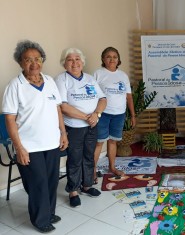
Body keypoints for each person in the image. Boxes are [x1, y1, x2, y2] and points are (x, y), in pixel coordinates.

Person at [2, 40, 68, 233]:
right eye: (27, 60)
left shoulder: (49, 81)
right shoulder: (15, 86)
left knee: (51, 180)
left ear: (42, 60)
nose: (33, 63)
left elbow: (57, 109)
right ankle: (40, 219)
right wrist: (19, 148)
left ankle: (49, 212)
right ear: (20, 63)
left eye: (37, 59)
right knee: (38, 182)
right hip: (29, 145)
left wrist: (63, 133)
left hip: (52, 142)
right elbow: (10, 120)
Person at [55, 48, 107, 207]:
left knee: (89, 156)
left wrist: (96, 114)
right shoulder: (61, 79)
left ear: (82, 62)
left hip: (92, 125)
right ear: (64, 63)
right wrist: (87, 117)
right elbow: (63, 106)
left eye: (77, 59)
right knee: (75, 159)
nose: (74, 63)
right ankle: (73, 190)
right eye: (70, 60)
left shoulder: (90, 79)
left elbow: (103, 99)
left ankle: (87, 185)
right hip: (74, 127)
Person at [93, 47, 136, 183]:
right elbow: (92, 95)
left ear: (118, 59)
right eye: (108, 56)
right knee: (99, 143)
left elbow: (129, 97)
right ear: (103, 59)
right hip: (103, 114)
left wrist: (133, 115)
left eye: (114, 57)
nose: (112, 59)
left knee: (113, 141)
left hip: (119, 114)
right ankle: (92, 171)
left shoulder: (123, 75)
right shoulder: (98, 73)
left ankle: (112, 167)